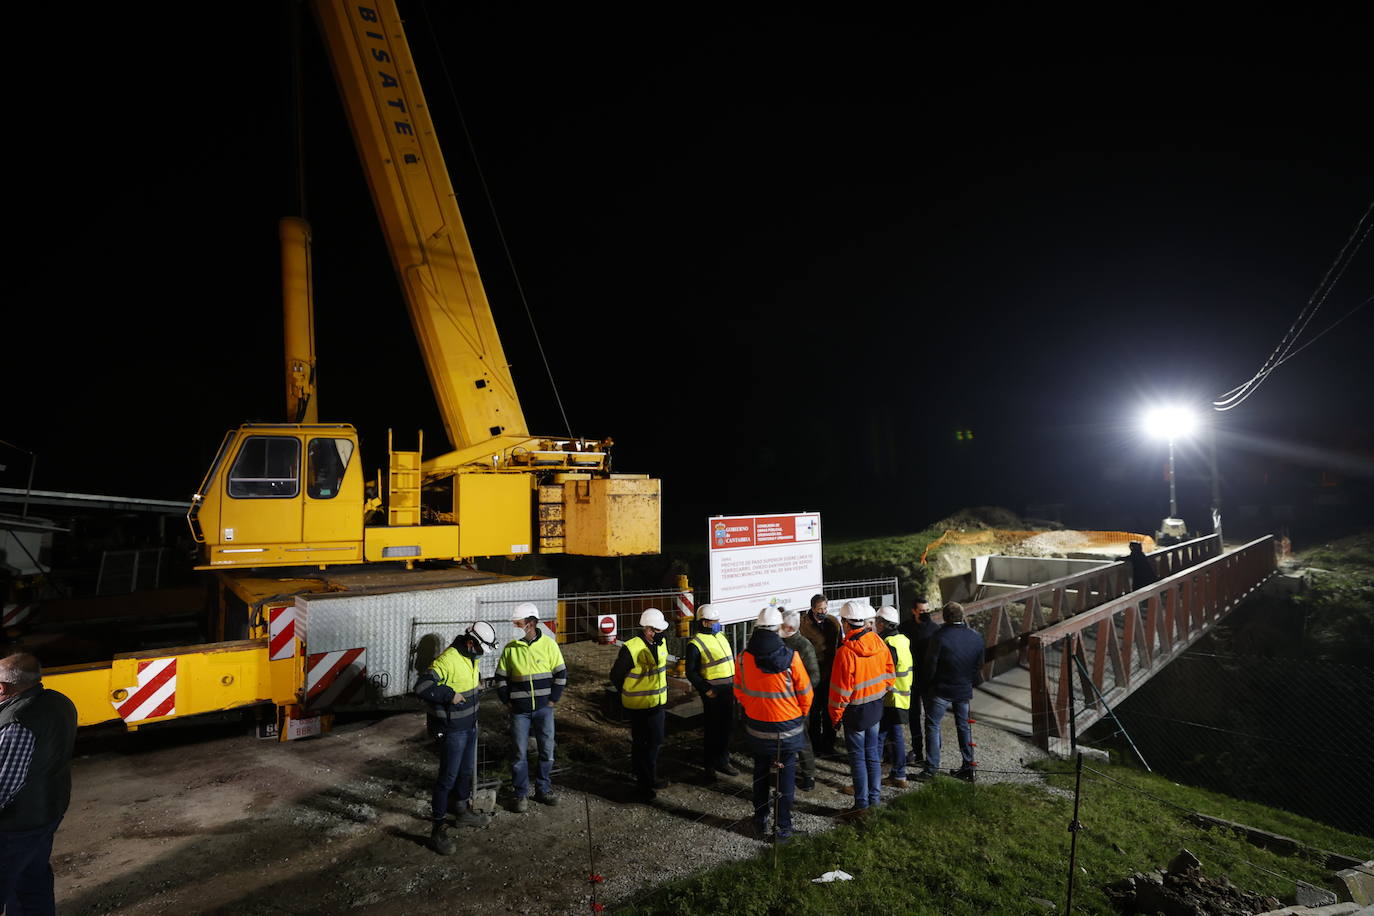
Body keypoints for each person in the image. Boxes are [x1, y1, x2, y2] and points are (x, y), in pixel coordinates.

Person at [0, 652, 77, 915]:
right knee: (31, 881)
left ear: (2, 687)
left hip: (16, 825)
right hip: (49, 811)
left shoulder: (17, 722)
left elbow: (6, 787)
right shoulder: (58, 701)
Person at [415, 622, 497, 854]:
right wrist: (449, 695)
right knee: (447, 778)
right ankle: (437, 829)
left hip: (469, 726)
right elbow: (422, 686)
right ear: (471, 643)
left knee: (466, 773)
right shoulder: (447, 660)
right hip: (453, 730)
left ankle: (461, 811)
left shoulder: (471, 657)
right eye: (481, 649)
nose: (482, 654)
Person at [734, 607, 812, 842]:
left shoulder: (743, 658)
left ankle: (760, 820)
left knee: (760, 774)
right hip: (788, 729)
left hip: (757, 727)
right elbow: (806, 694)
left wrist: (755, 710)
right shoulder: (792, 658)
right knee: (785, 777)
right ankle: (783, 829)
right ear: (778, 628)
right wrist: (800, 715)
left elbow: (739, 691)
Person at [496, 602, 567, 812]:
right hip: (519, 711)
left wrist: (553, 698)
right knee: (519, 754)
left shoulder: (549, 645)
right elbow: (500, 678)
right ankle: (520, 795)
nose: (517, 627)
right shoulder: (511, 648)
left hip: (544, 708)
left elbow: (561, 674)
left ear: (531, 623)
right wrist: (506, 700)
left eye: (520, 623)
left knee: (547, 751)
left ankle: (543, 789)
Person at [828, 602, 893, 814]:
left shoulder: (845, 653)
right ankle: (874, 801)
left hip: (855, 713)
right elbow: (889, 674)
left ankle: (861, 806)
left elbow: (840, 691)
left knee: (857, 760)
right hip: (875, 708)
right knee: (873, 755)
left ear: (845, 623)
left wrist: (835, 717)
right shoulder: (877, 641)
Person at [609, 608, 671, 801]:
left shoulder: (660, 642)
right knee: (643, 745)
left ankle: (649, 778)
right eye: (658, 629)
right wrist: (629, 692)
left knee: (654, 742)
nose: (662, 632)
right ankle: (642, 784)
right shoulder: (631, 647)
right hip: (639, 706)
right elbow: (616, 676)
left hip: (657, 702)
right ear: (648, 629)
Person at [918, 602, 983, 782]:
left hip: (941, 688)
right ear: (962, 616)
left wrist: (927, 684)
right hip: (963, 689)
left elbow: (930, 665)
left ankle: (931, 769)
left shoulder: (939, 637)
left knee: (932, 726)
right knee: (963, 726)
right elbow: (979, 664)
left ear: (945, 617)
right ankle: (968, 766)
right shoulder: (976, 636)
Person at [684, 604, 739, 781]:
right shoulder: (695, 643)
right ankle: (709, 766)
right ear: (705, 622)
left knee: (726, 727)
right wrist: (705, 689)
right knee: (712, 729)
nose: (717, 624)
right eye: (714, 621)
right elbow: (690, 672)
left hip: (728, 689)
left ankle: (723, 760)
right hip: (713, 692)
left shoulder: (720, 636)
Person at [779, 610, 820, 791]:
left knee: (802, 739)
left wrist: (797, 695)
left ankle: (808, 774)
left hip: (798, 703)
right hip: (781, 702)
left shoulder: (804, 646)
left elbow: (814, 676)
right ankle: (785, 772)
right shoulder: (780, 642)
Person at [875, 606, 913, 788]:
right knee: (894, 736)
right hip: (902, 696)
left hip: (890, 697)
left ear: (882, 623)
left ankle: (872, 779)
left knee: (879, 738)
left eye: (876, 622)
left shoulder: (888, 643)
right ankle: (899, 775)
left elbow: (885, 672)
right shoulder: (902, 640)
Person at [799, 593, 842, 755]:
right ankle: (815, 744)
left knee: (829, 710)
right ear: (812, 609)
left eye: (825, 608)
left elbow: (839, 643)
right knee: (814, 710)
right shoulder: (804, 625)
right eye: (819, 609)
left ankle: (829, 743)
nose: (823, 611)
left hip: (831, 673)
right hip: (813, 674)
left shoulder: (833, 622)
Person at [901, 596, 940, 767]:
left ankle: (934, 753)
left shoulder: (934, 629)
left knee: (931, 718)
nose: (925, 613)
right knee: (914, 716)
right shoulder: (905, 628)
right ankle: (917, 751)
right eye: (921, 611)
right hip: (912, 678)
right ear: (914, 611)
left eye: (927, 610)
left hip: (929, 680)